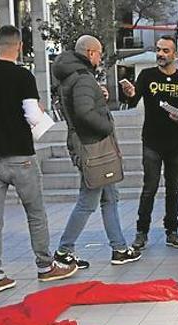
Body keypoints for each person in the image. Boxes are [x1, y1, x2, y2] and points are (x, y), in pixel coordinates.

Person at [0, 25, 78, 293]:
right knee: (35, 213)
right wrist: (39, 110)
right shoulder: (23, 76)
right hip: (21, 156)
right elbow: (34, 118)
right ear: (20, 46)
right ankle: (45, 266)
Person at [52, 35, 142, 268]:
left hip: (89, 143)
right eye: (99, 53)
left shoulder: (76, 76)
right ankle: (64, 251)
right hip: (93, 145)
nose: (100, 57)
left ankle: (119, 248)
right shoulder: (82, 78)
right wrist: (107, 126)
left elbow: (84, 104)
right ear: (90, 53)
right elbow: (84, 112)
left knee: (110, 197)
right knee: (88, 200)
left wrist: (98, 96)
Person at [122, 35, 178, 251]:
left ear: (175, 54)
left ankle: (172, 231)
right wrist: (129, 93)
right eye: (158, 50)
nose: (161, 54)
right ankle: (141, 232)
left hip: (175, 144)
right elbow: (133, 100)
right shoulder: (147, 76)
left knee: (173, 190)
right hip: (152, 142)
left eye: (165, 50)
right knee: (150, 188)